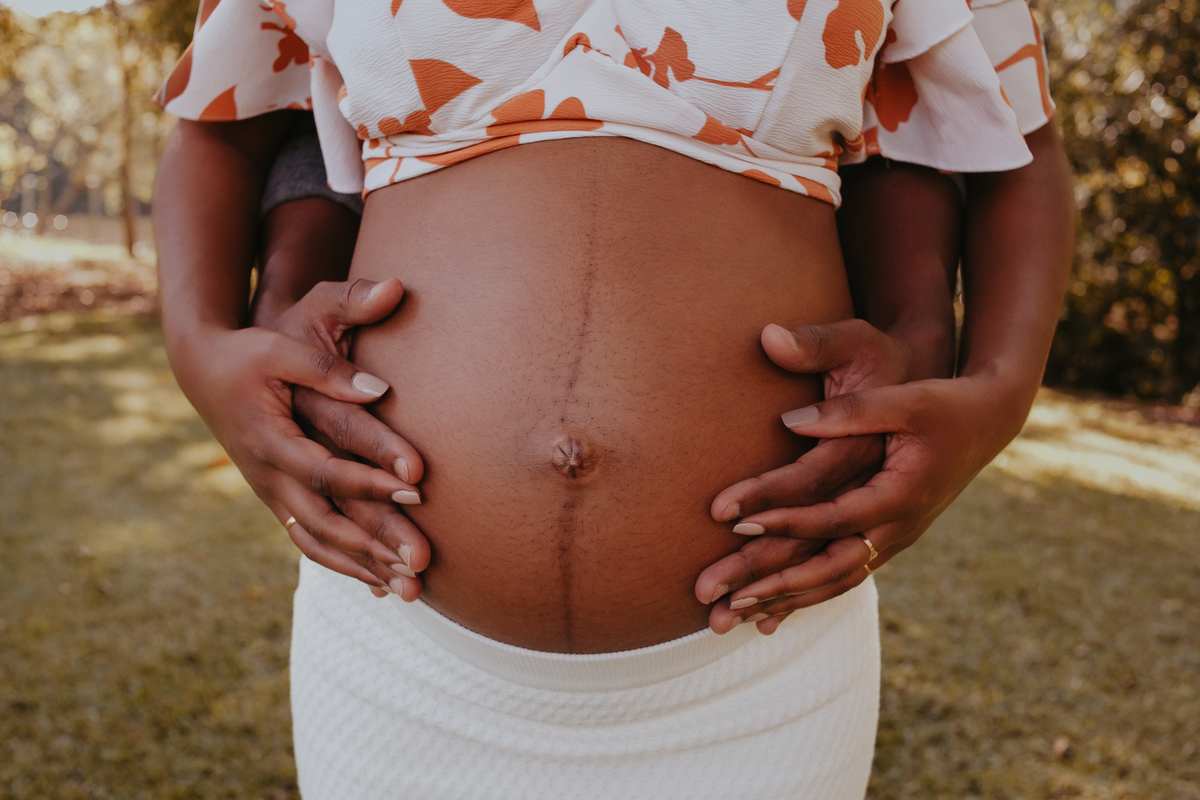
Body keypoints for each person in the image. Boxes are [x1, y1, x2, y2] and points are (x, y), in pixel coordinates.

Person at [152, 1, 1073, 797]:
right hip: (395, 628)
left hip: (759, 652)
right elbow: (222, 118)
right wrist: (202, 349)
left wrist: (994, 396)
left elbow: (1018, 142)